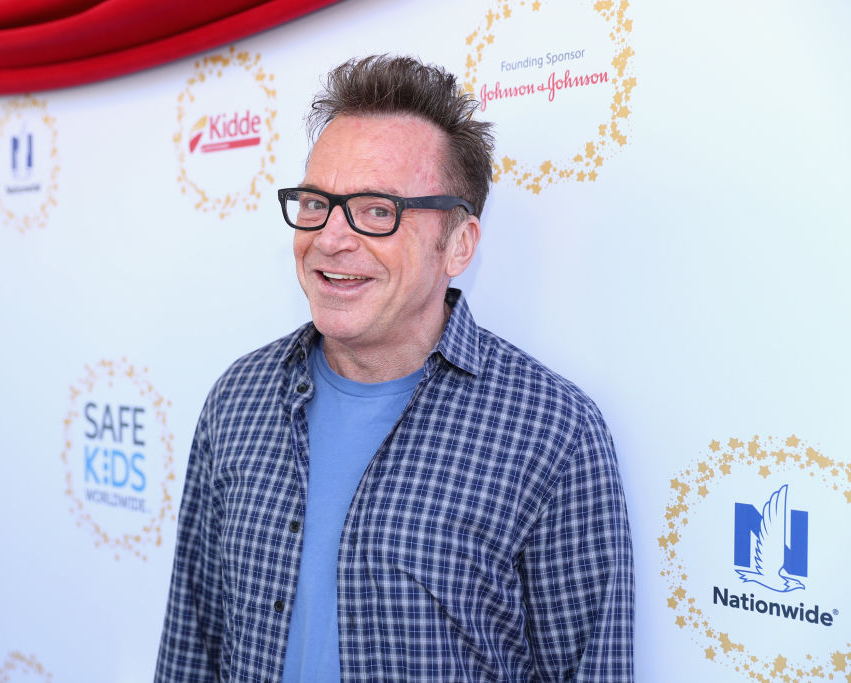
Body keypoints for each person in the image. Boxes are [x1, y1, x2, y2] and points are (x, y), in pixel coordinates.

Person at [155, 54, 633, 682]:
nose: (330, 238)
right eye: (316, 203)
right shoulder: (238, 400)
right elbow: (192, 650)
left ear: (458, 244)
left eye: (377, 210)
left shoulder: (553, 433)